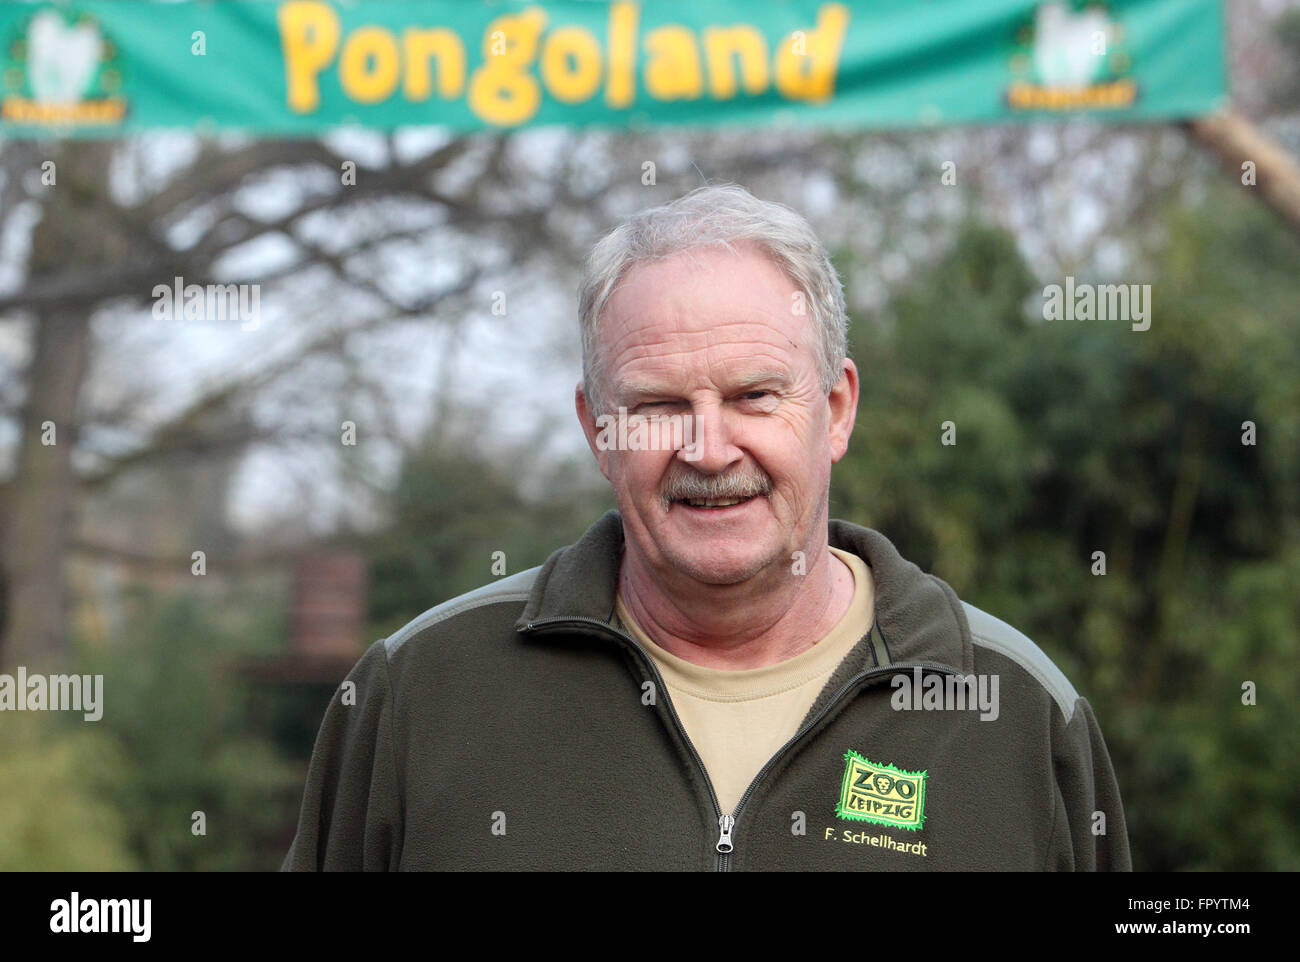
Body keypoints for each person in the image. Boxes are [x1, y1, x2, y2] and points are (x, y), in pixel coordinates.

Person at [282, 183, 1131, 871]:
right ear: (597, 431)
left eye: (754, 397)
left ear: (835, 410)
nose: (708, 447)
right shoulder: (420, 695)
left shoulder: (1015, 712)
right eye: (655, 405)